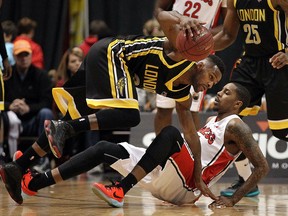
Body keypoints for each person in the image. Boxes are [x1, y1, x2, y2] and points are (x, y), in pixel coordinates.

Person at [0, 10, 225, 205]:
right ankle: (66, 128)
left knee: (69, 121)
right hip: (113, 53)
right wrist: (182, 18)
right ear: (200, 63)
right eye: (211, 76)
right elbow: (162, 16)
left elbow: (190, 134)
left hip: (104, 65)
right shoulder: (181, 50)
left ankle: (18, 166)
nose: (210, 83)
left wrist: (197, 171)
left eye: (214, 83)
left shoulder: (182, 95)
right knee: (130, 115)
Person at [18, 82, 269, 208]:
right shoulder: (215, 119)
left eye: (226, 92)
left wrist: (233, 199)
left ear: (238, 105)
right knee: (104, 148)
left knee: (170, 133)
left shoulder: (237, 126)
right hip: (171, 172)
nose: (220, 94)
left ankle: (120, 189)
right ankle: (35, 182)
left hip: (189, 184)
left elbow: (262, 166)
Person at [213, 0, 288, 197]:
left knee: (282, 131)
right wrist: (200, 48)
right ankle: (246, 181)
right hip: (249, 64)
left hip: (278, 62)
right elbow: (228, 35)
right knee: (226, 123)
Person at [153, 0, 228, 134]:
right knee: (164, 107)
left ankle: (194, 153)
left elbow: (227, 27)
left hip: (200, 52)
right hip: (173, 46)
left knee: (191, 110)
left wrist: (200, 35)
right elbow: (159, 9)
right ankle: (160, 152)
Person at [2, 40, 53, 161]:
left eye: (26, 54)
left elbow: (47, 102)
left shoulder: (41, 75)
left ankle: (44, 159)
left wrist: (29, 108)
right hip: (10, 119)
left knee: (46, 113)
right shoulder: (6, 76)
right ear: (14, 56)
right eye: (20, 55)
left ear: (31, 55)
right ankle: (5, 158)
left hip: (33, 121)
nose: (23, 58)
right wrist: (10, 106)